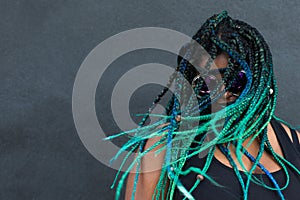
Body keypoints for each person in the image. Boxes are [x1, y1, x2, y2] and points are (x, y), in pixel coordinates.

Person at [110, 11, 300, 200]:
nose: (223, 94)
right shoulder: (161, 149)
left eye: (236, 81)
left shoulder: (295, 143)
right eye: (209, 83)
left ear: (260, 81)